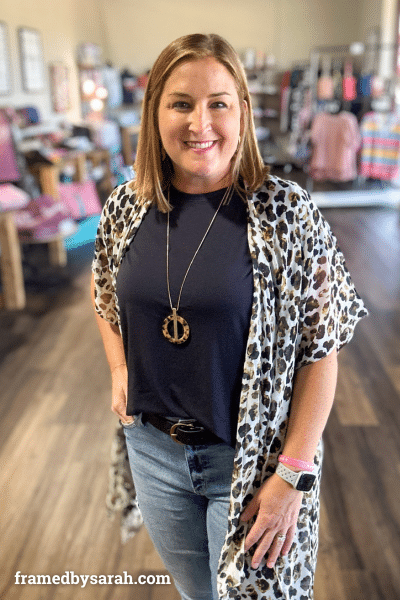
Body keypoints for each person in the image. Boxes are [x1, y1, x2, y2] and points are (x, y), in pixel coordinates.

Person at [91, 33, 368, 600]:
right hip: (154, 453)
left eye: (218, 102)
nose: (201, 123)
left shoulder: (286, 213)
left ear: (242, 109)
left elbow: (324, 347)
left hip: (250, 465)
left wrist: (292, 473)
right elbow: (104, 298)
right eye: (181, 103)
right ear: (155, 113)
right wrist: (120, 371)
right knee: (197, 592)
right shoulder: (126, 206)